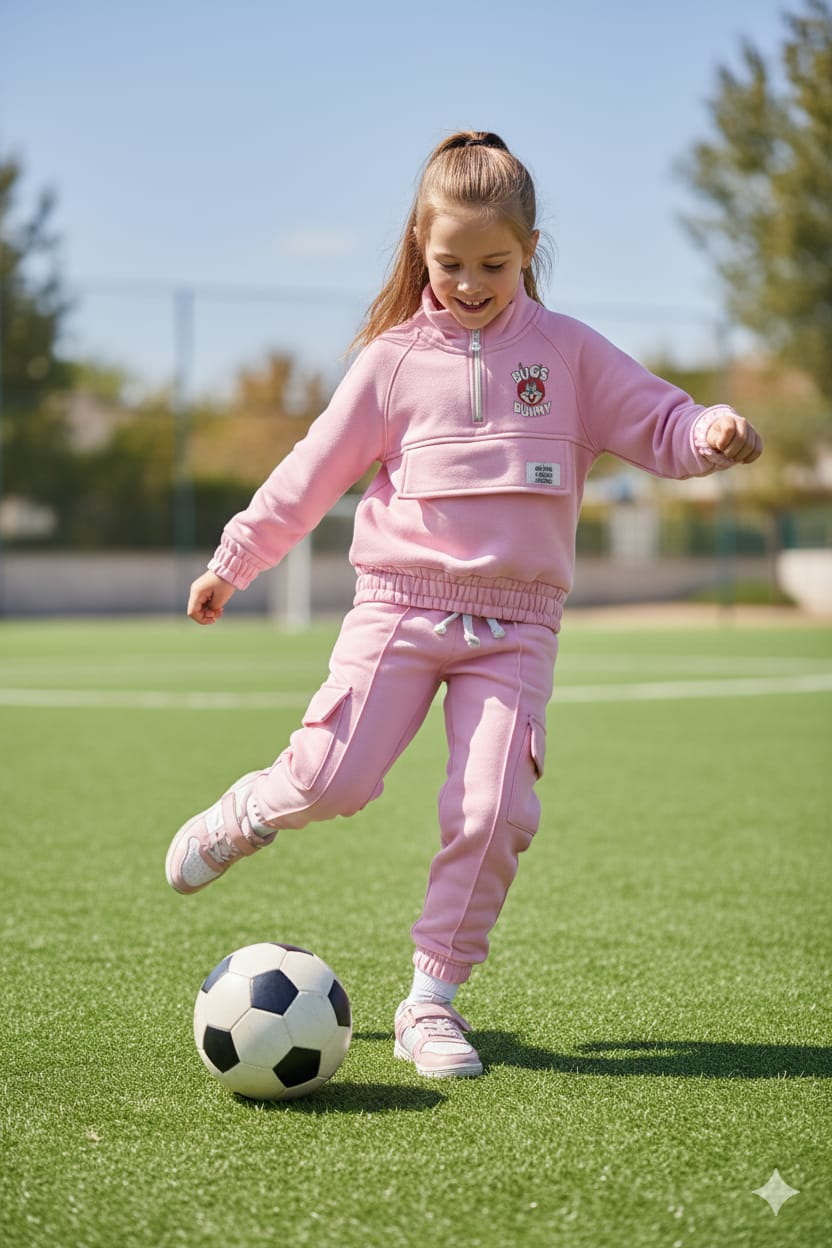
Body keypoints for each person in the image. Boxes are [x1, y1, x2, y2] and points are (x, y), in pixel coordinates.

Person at [166, 131, 762, 1078]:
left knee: (494, 812)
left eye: (494, 264)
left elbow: (661, 419)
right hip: (399, 608)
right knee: (333, 782)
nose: (471, 283)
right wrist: (235, 560)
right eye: (451, 264)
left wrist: (710, 431)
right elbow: (310, 474)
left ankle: (430, 1003)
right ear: (420, 245)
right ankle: (251, 809)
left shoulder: (568, 354)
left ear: (530, 250)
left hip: (518, 626)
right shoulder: (390, 363)